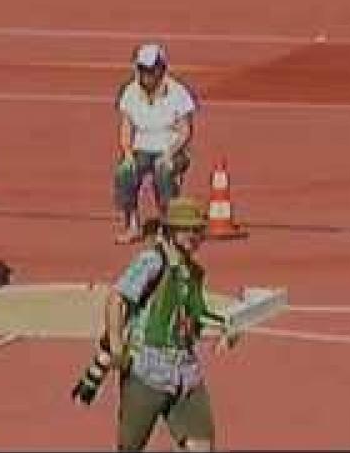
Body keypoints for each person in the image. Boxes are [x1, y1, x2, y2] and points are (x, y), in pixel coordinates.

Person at [103, 197, 234, 451]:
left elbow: (193, 323)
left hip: (186, 373)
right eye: (186, 229)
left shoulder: (194, 273)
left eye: (197, 230)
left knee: (201, 445)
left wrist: (223, 332)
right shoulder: (152, 262)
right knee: (130, 446)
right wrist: (117, 345)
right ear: (171, 231)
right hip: (147, 372)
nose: (194, 236)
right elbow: (117, 298)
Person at [113, 43, 197, 245]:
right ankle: (132, 224)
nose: (147, 75)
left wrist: (170, 153)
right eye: (143, 70)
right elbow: (126, 126)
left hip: (170, 149)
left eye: (151, 70)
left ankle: (171, 227)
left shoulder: (177, 92)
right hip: (142, 148)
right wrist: (127, 153)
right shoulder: (131, 92)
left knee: (163, 172)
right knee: (125, 172)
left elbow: (186, 131)